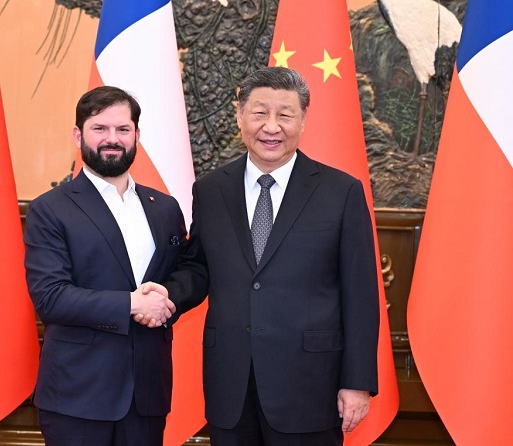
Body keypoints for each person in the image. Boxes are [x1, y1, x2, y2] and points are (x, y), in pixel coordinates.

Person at [150, 67, 380, 445]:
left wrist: (357, 383)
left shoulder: (341, 192)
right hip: (231, 385)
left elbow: (361, 295)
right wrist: (167, 296)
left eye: (285, 115)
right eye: (259, 113)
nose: (271, 127)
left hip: (310, 385)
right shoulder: (210, 190)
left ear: (303, 120)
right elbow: (200, 267)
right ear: (240, 115)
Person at [24, 86, 186, 446]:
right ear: (78, 135)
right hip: (77, 398)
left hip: (147, 397)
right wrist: (132, 303)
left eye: (122, 129)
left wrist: (166, 297)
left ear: (137, 136)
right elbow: (50, 298)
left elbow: (186, 273)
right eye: (100, 128)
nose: (112, 139)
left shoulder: (165, 208)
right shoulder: (50, 209)